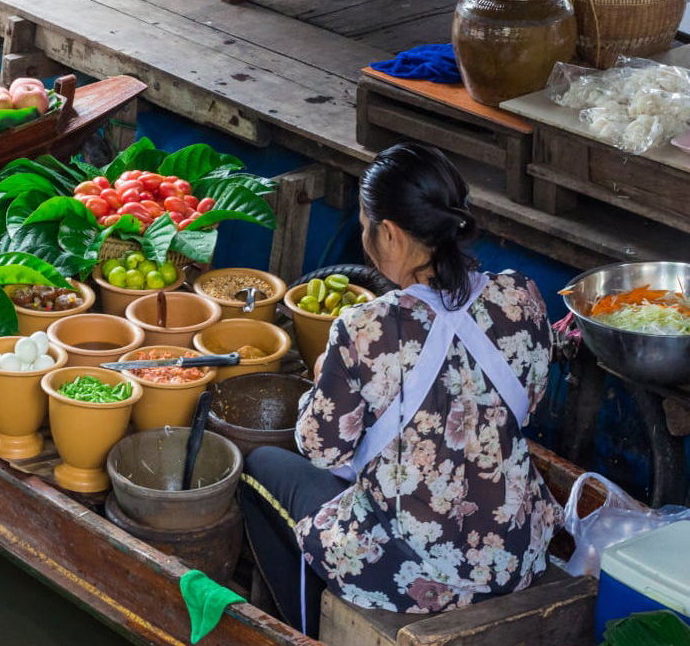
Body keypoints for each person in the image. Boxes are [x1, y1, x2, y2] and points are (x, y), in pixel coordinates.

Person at [239, 143, 560, 636]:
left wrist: (325, 372)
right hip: (512, 550)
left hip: (415, 572)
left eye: (366, 224)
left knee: (260, 469)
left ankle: (305, 630)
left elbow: (321, 448)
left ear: (387, 232)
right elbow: (529, 399)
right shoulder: (520, 296)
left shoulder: (366, 329)